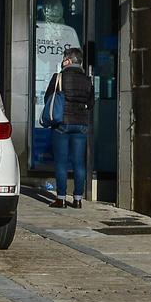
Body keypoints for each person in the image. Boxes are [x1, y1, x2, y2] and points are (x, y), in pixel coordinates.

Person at [46, 47, 94, 209]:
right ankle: (78, 199)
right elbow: (91, 103)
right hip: (81, 124)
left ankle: (60, 198)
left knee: (61, 163)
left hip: (62, 124)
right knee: (79, 163)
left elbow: (48, 98)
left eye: (64, 58)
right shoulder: (88, 80)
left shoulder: (59, 77)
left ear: (68, 60)